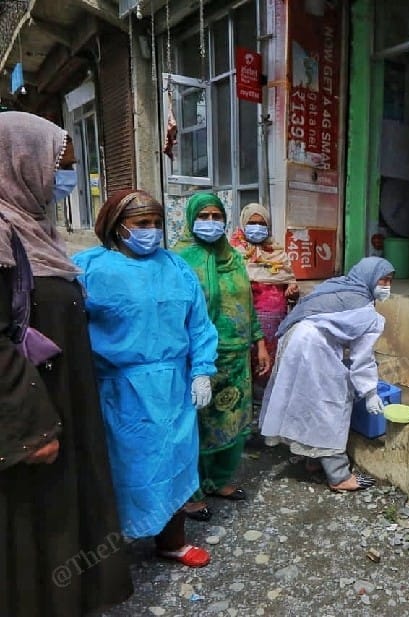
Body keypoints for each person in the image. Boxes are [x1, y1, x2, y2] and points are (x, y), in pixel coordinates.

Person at [0, 112, 133, 615]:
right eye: (61, 167)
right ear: (20, 163)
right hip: (31, 417)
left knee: (63, 517)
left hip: (62, 401)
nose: (65, 181)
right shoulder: (2, 236)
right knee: (31, 532)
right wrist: (30, 430)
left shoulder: (38, 233)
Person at [73, 189, 219, 568]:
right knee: (123, 468)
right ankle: (109, 553)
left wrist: (202, 370)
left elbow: (199, 325)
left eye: (156, 224)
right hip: (120, 388)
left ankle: (171, 542)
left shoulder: (176, 267)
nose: (151, 232)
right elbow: (69, 329)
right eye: (142, 224)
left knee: (175, 465)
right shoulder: (88, 268)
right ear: (118, 227)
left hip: (174, 386)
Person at [260, 257, 395, 492]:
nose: (386, 286)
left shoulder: (337, 285)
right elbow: (362, 360)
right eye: (382, 280)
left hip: (293, 341)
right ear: (370, 277)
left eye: (390, 281)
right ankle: (339, 475)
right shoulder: (366, 312)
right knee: (331, 405)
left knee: (302, 400)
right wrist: (371, 392)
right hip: (313, 347)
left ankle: (312, 459)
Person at [175, 192, 271, 521]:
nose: (211, 223)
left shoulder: (234, 258)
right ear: (191, 219)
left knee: (232, 423)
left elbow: (248, 306)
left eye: (217, 217)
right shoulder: (179, 260)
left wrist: (258, 344)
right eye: (205, 216)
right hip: (198, 359)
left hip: (236, 356)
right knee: (198, 426)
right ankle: (192, 492)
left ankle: (218, 480)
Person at [230, 202, 299, 404]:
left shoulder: (278, 253)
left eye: (262, 223)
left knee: (269, 364)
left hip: (275, 327)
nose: (257, 227)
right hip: (245, 324)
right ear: (243, 224)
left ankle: (265, 402)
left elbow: (290, 290)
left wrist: (292, 292)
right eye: (252, 223)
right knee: (246, 366)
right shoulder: (233, 255)